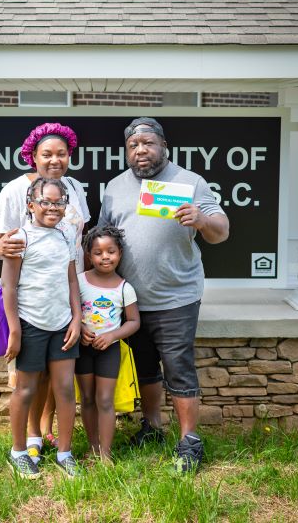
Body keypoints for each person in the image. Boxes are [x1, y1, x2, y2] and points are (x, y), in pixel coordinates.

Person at [98, 117, 229, 473]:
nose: (141, 150)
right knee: (145, 368)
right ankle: (152, 427)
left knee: (179, 369)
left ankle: (190, 442)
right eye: (133, 145)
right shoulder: (113, 188)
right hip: (131, 301)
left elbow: (222, 231)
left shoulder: (189, 182)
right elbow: (102, 241)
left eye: (148, 143)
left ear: (164, 147)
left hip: (177, 296)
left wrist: (201, 220)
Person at [0, 122, 90, 454]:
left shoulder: (74, 188)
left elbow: (79, 242)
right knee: (30, 377)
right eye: (47, 154)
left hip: (66, 294)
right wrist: (3, 249)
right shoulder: (15, 191)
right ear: (33, 156)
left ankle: (50, 434)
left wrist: (80, 307)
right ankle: (31, 438)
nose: (55, 160)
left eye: (62, 154)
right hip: (31, 298)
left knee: (58, 377)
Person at [2, 177, 81, 478]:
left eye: (58, 202)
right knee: (26, 388)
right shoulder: (20, 238)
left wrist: (76, 318)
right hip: (31, 323)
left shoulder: (66, 234)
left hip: (63, 323)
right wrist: (15, 330)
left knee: (63, 389)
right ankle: (19, 451)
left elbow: (72, 279)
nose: (52, 207)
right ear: (31, 204)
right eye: (45, 202)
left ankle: (65, 452)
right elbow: (9, 287)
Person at [75, 225, 140, 461]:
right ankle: (92, 447)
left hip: (109, 351)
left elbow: (134, 322)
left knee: (104, 399)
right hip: (82, 350)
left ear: (119, 253)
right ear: (89, 256)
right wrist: (80, 329)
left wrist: (112, 336)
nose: (105, 257)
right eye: (98, 252)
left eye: (110, 251)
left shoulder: (125, 288)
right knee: (88, 398)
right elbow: (69, 312)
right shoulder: (79, 282)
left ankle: (106, 453)